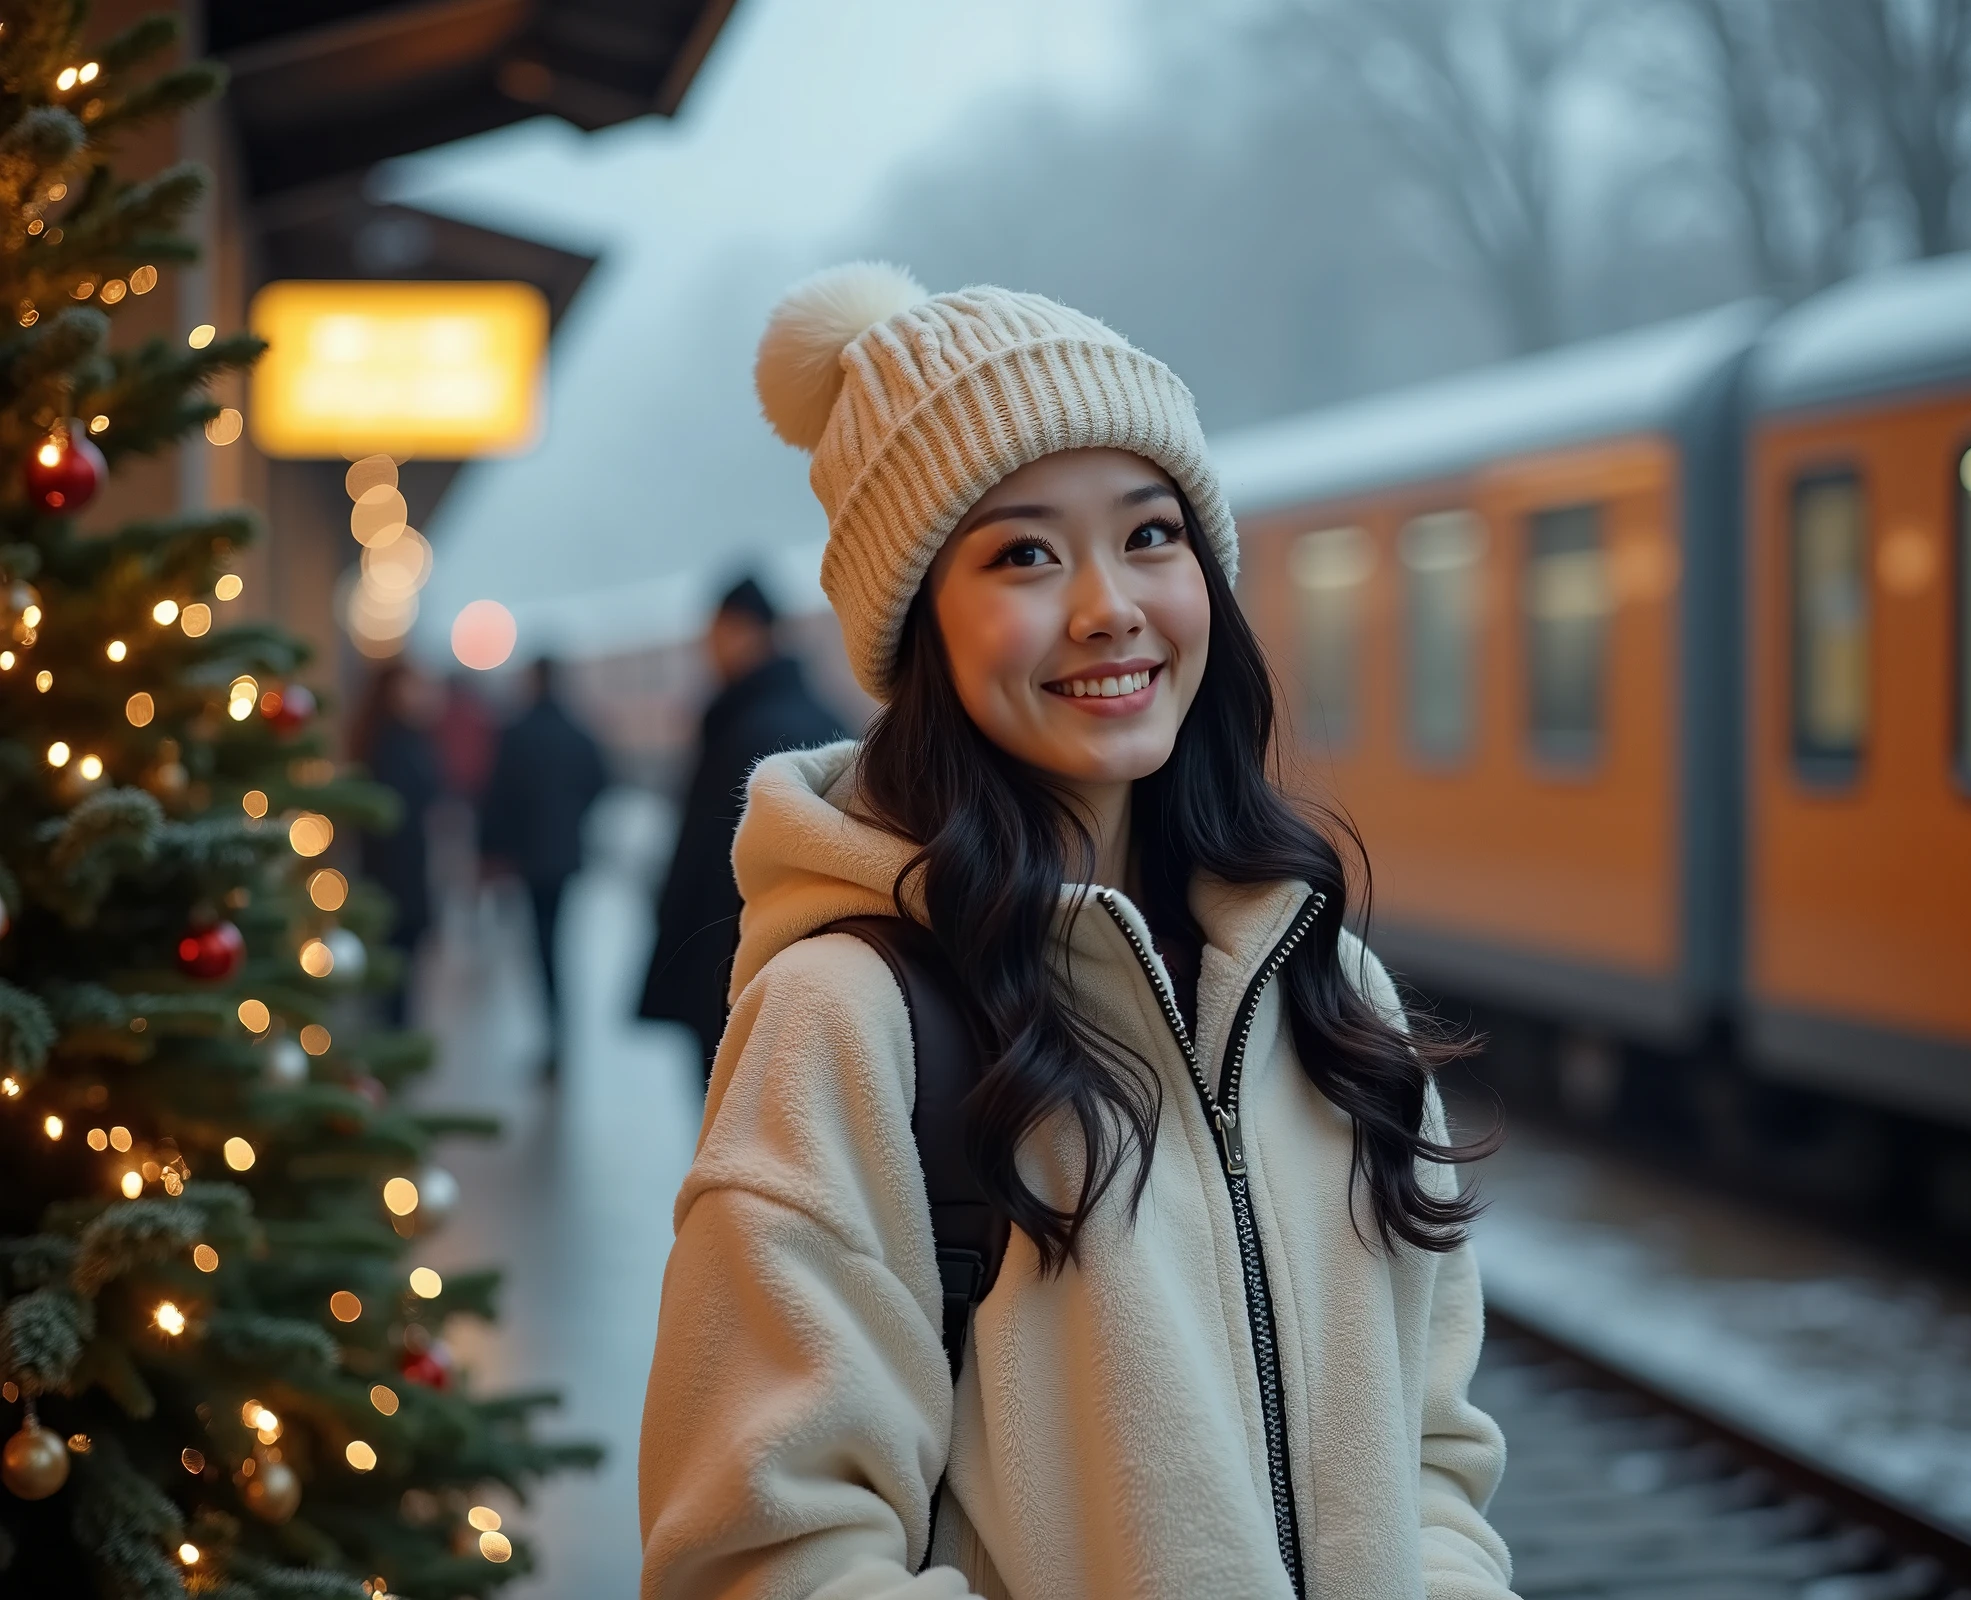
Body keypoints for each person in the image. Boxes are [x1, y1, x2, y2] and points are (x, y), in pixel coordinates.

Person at [638, 266, 1512, 1600]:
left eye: (1152, 535)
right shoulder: (850, 1020)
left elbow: (1436, 1464)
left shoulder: (1333, 991)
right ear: (917, 622)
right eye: (1027, 553)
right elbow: (765, 1558)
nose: (1110, 604)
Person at [637, 575, 846, 1070]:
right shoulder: (820, 715)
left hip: (733, 966)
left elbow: (711, 861)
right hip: (804, 968)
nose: (708, 650)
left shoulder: (746, 729)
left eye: (714, 634)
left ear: (742, 632)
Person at [478, 656, 608, 1079]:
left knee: (542, 947)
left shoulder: (516, 733)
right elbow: (602, 780)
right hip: (566, 857)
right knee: (560, 943)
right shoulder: (578, 730)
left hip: (530, 859)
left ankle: (554, 1037)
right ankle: (562, 1033)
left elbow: (497, 796)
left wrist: (492, 851)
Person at [351, 660, 444, 1024]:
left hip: (409, 869)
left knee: (404, 967)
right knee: (395, 965)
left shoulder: (413, 737)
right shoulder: (387, 745)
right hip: (392, 873)